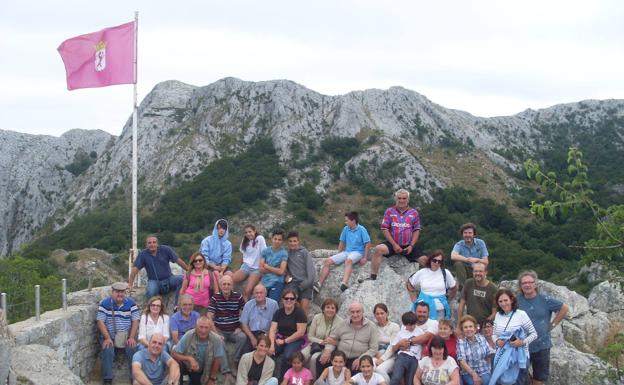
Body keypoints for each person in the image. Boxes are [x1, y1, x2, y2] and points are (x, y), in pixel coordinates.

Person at [516, 271, 569, 385]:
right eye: (524, 283)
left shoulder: (545, 299)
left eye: (530, 282)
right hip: (522, 346)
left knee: (539, 379)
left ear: (535, 284)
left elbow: (564, 308)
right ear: (520, 286)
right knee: (520, 378)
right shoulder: (516, 301)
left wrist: (552, 325)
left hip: (542, 346)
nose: (527, 285)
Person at [364, 189, 425, 282]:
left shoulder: (414, 213)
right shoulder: (389, 211)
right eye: (399, 198)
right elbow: (385, 228)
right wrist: (394, 244)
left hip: (408, 245)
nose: (401, 201)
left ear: (408, 199)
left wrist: (411, 246)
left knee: (426, 260)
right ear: (396, 199)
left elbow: (416, 230)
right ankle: (373, 276)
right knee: (378, 249)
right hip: (393, 244)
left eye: (404, 198)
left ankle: (436, 281)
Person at [315, 212, 372, 292]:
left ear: (353, 221)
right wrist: (338, 255)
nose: (345, 222)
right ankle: (319, 284)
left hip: (358, 252)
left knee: (349, 260)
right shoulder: (346, 229)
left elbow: (368, 243)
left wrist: (365, 257)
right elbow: (342, 242)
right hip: (347, 251)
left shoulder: (362, 229)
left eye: (347, 220)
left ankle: (344, 283)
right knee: (328, 261)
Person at [96, 282, 141, 385]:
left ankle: (134, 378)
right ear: (112, 292)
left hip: (126, 336)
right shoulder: (104, 304)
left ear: (125, 292)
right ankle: (107, 379)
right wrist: (107, 338)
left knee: (133, 348)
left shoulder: (131, 303)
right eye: (117, 292)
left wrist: (131, 337)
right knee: (107, 349)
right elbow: (100, 321)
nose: (120, 294)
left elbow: (135, 321)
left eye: (122, 292)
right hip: (110, 336)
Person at [491, 288, 538, 385]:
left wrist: (521, 342)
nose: (503, 303)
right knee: (503, 382)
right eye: (500, 301)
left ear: (511, 300)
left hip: (520, 357)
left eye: (505, 300)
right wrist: (496, 342)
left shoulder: (521, 314)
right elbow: (494, 334)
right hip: (503, 356)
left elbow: (534, 334)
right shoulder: (498, 315)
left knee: (519, 382)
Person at [317, 302, 379, 375]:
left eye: (358, 311)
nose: (355, 315)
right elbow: (331, 339)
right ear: (349, 313)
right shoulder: (342, 324)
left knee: (357, 372)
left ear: (363, 312)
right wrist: (327, 351)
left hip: (357, 358)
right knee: (321, 360)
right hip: (340, 355)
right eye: (352, 312)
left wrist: (361, 359)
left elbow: (373, 348)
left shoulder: (371, 327)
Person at [207, 275, 247, 383]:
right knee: (219, 342)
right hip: (220, 329)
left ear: (232, 286)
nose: (226, 286)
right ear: (220, 285)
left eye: (228, 284)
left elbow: (245, 313)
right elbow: (209, 317)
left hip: (234, 330)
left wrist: (240, 326)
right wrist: (216, 333)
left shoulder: (238, 297)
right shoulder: (215, 298)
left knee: (243, 337)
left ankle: (235, 362)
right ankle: (226, 371)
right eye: (224, 284)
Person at [128, 235, 188, 302]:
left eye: (154, 242)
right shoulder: (143, 254)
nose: (152, 244)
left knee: (183, 280)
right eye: (149, 243)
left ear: (157, 244)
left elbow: (178, 260)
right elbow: (135, 269)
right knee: (151, 292)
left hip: (169, 278)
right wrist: (130, 284)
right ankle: (150, 310)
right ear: (146, 245)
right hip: (154, 281)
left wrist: (189, 271)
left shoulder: (166, 249)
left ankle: (177, 304)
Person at [172, 316, 225, 385]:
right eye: (201, 327)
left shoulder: (216, 339)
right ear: (196, 327)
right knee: (176, 362)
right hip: (189, 368)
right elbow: (174, 353)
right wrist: (189, 358)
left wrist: (212, 379)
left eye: (206, 327)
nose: (203, 330)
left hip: (206, 370)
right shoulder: (188, 335)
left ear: (210, 328)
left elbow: (217, 360)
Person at [268, 288, 307, 379]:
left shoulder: (300, 313)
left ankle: (283, 380)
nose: (289, 300)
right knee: (269, 352)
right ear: (282, 299)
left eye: (291, 298)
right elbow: (272, 329)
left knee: (288, 356)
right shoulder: (279, 312)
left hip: (296, 340)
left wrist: (285, 341)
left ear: (295, 300)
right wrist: (272, 345)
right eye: (286, 298)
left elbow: (300, 332)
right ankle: (269, 378)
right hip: (281, 338)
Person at [406, 250, 457, 320]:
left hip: (440, 310)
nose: (436, 263)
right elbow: (409, 283)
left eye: (439, 261)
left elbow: (454, 288)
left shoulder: (445, 273)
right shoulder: (422, 272)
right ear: (430, 259)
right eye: (434, 260)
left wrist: (448, 301)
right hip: (422, 310)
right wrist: (414, 299)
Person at [305, 299, 344, 376]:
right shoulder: (317, 317)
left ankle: (314, 380)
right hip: (315, 344)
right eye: (327, 307)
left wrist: (330, 344)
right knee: (301, 356)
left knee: (314, 358)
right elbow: (310, 336)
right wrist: (321, 341)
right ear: (323, 309)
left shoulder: (340, 322)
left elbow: (340, 340)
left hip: (331, 347)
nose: (330, 310)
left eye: (333, 308)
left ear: (336, 310)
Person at [240, 284, 280, 355]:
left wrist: (267, 336)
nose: (259, 295)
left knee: (270, 352)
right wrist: (252, 338)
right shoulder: (248, 305)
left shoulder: (273, 304)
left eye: (261, 293)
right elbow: (244, 324)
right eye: (257, 293)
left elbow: (276, 324)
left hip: (267, 333)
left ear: (266, 294)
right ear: (254, 294)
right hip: (253, 333)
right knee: (245, 352)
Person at [387, 312, 424, 385]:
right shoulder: (401, 333)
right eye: (409, 325)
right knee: (396, 377)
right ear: (405, 324)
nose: (412, 327)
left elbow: (424, 343)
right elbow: (393, 348)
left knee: (409, 381)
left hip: (414, 359)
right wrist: (399, 344)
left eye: (413, 324)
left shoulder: (420, 332)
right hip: (402, 357)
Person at [450, 223, 489, 292]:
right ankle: (464, 289)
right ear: (462, 234)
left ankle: (480, 287)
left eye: (470, 233)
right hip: (465, 271)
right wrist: (467, 259)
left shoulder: (481, 243)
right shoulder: (459, 244)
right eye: (465, 233)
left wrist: (476, 260)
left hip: (477, 269)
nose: (467, 235)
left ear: (474, 234)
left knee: (482, 266)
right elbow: (453, 256)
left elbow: (486, 261)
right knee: (458, 264)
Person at [457, 262, 497, 327]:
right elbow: (461, 305)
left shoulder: (493, 289)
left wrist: (484, 325)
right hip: (470, 324)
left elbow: (494, 313)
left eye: (480, 271)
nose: (478, 273)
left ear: (486, 272)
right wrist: (459, 325)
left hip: (486, 325)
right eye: (475, 271)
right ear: (472, 272)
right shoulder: (468, 283)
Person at [284, 231, 315, 315]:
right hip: (293, 284)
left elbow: (311, 272)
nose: (292, 243)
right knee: (291, 303)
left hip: (305, 283)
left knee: (304, 307)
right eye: (290, 241)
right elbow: (283, 268)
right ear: (287, 242)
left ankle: (303, 327)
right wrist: (286, 276)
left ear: (298, 241)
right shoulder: (286, 254)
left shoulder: (304, 252)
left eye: (294, 241)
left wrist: (304, 285)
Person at [233, 224, 267, 300]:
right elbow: (243, 255)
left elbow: (264, 254)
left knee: (247, 290)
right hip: (246, 266)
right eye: (246, 232)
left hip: (256, 269)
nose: (248, 234)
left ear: (254, 231)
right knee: (231, 280)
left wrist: (263, 269)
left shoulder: (260, 238)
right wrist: (240, 268)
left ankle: (245, 309)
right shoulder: (245, 240)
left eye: (250, 231)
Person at [456, 315, 493, 385]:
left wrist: (489, 370)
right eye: (465, 327)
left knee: (487, 382)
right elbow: (462, 362)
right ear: (462, 330)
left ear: (475, 328)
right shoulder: (461, 342)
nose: (468, 329)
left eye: (470, 326)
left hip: (483, 370)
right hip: (468, 372)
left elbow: (488, 355)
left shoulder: (482, 338)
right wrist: (474, 374)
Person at [372, 303, 400, 382]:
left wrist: (382, 359)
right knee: (370, 367)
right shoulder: (373, 327)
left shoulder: (395, 326)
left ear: (387, 313)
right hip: (376, 354)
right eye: (377, 314)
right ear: (374, 315)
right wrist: (376, 353)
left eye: (382, 313)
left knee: (379, 370)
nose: (380, 316)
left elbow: (392, 345)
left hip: (391, 356)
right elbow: (371, 342)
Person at [260, 229, 289, 302]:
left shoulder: (284, 253)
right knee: (259, 301)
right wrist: (276, 270)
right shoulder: (265, 251)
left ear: (282, 241)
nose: (277, 241)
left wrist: (267, 266)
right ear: (272, 239)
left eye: (279, 239)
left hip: (277, 282)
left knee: (272, 302)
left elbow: (281, 272)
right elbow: (261, 269)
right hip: (265, 281)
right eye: (275, 239)